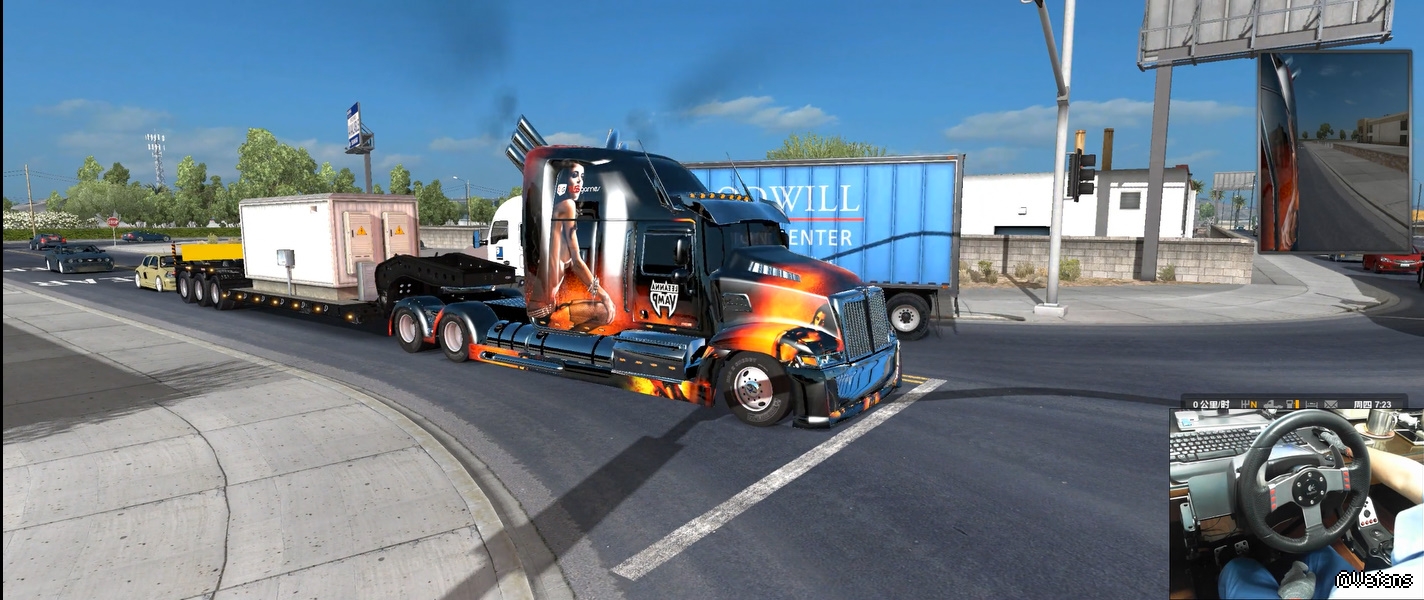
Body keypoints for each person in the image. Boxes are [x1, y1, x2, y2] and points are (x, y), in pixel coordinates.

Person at [1219, 445, 1422, 599]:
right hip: (1388, 582)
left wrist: (1296, 596)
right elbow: (1410, 476)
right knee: (1319, 552)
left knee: (1238, 569)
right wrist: (1351, 445)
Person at [528, 162, 614, 331]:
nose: (579, 181)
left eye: (582, 177)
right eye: (574, 175)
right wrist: (605, 296)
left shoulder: (557, 214)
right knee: (604, 311)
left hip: (547, 306)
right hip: (541, 310)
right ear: (563, 180)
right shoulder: (567, 205)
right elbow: (576, 263)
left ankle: (570, 339)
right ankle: (572, 341)